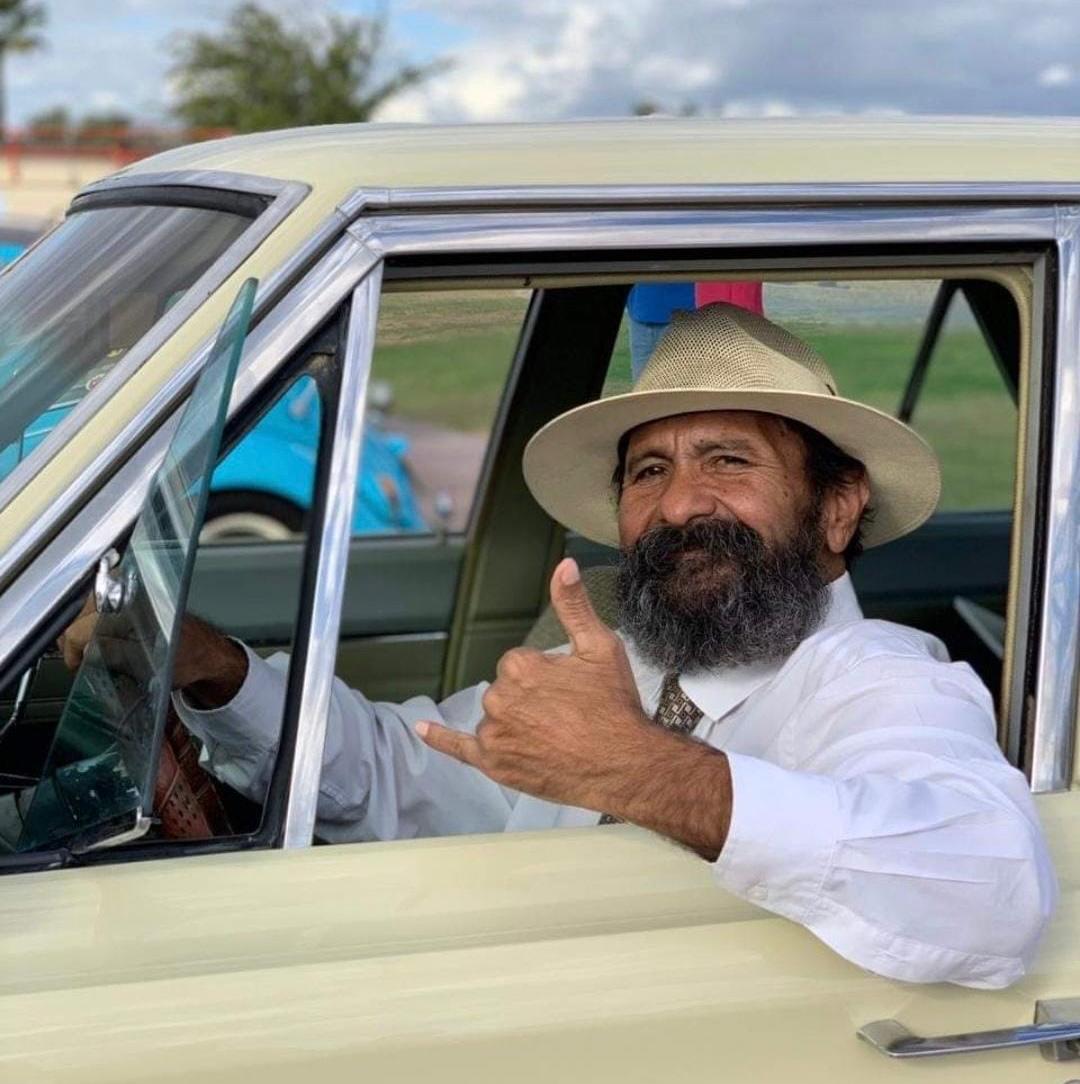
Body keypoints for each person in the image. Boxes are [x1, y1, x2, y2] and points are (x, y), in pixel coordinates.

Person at [61, 302, 1057, 989]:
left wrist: (644, 772)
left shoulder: (880, 679)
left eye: (728, 459)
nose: (678, 504)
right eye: (648, 470)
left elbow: (992, 887)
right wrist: (216, 671)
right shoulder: (625, 664)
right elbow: (410, 770)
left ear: (837, 508)